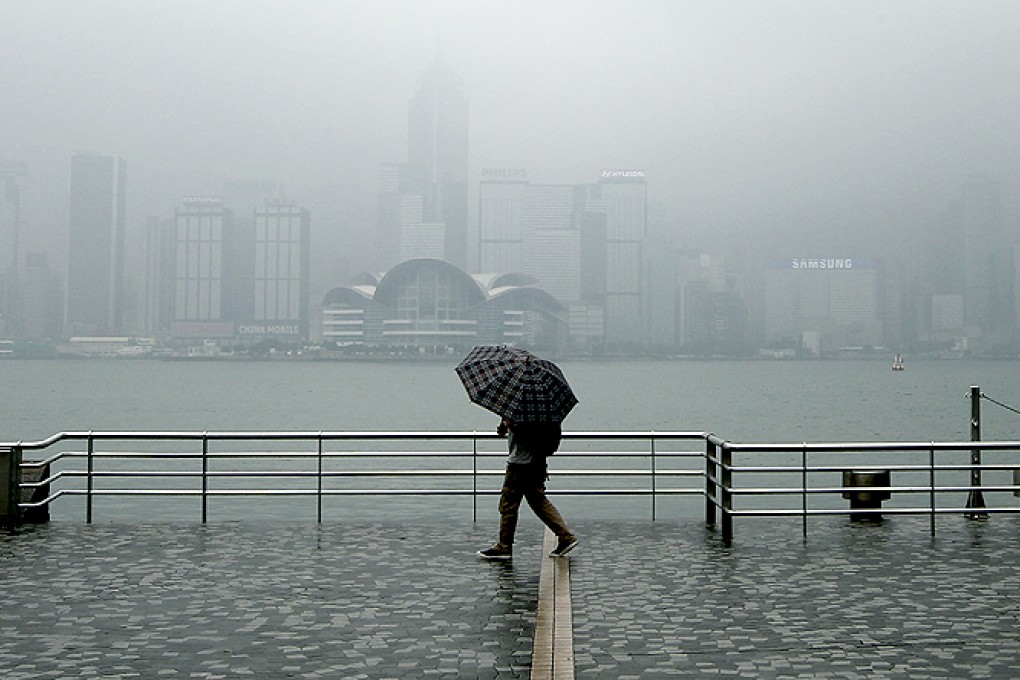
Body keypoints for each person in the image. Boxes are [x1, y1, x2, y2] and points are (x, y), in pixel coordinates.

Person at [477, 417, 578, 560]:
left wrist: (514, 426)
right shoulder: (540, 410)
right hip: (536, 463)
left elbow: (527, 435)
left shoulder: (525, 412)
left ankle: (504, 546)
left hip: (520, 464)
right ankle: (565, 536)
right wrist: (505, 426)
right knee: (538, 502)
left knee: (508, 505)